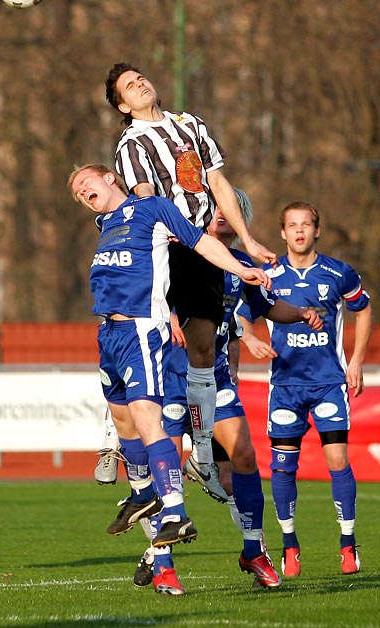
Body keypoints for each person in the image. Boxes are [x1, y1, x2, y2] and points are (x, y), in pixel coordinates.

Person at [68, 164, 271, 595]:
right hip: (109, 333)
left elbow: (200, 244)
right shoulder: (107, 224)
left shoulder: (154, 211)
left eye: (86, 182)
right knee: (127, 428)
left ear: (111, 177)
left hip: (147, 334)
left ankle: (180, 514)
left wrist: (242, 267)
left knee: (150, 420)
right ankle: (144, 495)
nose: (82, 191)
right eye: (76, 191)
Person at [131, 189, 322, 591]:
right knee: (167, 472)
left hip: (215, 382)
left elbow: (270, 306)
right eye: (213, 206)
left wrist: (302, 312)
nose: (218, 213)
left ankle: (254, 550)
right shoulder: (178, 254)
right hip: (169, 380)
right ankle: (162, 562)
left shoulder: (242, 266)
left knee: (244, 459)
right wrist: (167, 315)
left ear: (240, 217)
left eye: (227, 208)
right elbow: (144, 295)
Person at [105, 62, 277, 502]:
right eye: (130, 85)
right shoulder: (131, 144)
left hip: (203, 247)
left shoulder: (190, 124)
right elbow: (146, 200)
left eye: (141, 76)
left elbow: (217, 182)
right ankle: (116, 437)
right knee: (151, 342)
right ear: (123, 105)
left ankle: (202, 453)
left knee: (203, 347)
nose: (141, 83)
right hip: (165, 249)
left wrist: (248, 239)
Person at [239, 201, 372, 577]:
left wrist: (357, 359)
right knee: (283, 469)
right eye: (292, 225)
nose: (299, 231)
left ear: (317, 230)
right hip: (285, 386)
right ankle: (289, 545)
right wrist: (250, 339)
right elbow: (242, 317)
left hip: (329, 382)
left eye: (306, 225)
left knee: (337, 461)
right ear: (282, 233)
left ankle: (347, 545)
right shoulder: (267, 275)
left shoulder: (337, 272)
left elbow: (363, 308)